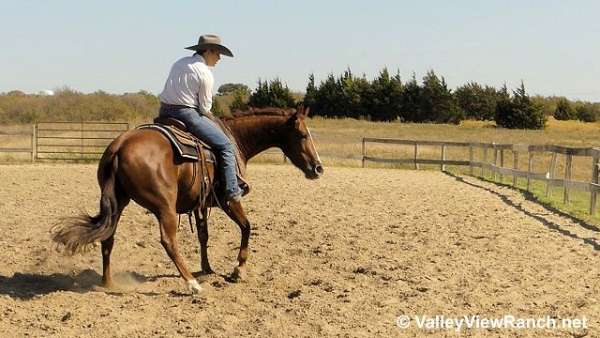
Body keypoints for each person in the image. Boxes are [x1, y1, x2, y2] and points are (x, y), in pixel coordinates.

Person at [158, 34, 242, 203]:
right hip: (187, 114)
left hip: (164, 112)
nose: (219, 58)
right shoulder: (205, 74)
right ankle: (232, 190)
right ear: (209, 51)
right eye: (218, 53)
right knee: (225, 145)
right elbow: (204, 109)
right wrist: (213, 119)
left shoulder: (179, 63)